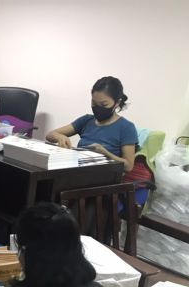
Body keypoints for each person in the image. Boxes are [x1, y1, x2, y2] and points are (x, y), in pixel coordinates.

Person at [46, 76, 149, 205]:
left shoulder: (126, 127)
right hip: (76, 175)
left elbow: (128, 166)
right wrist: (60, 137)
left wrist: (105, 153)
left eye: (104, 105)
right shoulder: (86, 120)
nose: (97, 108)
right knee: (46, 185)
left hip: (100, 186)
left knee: (55, 192)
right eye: (94, 104)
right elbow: (50, 135)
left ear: (117, 103)